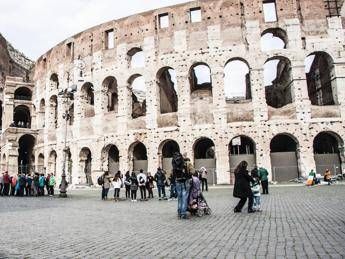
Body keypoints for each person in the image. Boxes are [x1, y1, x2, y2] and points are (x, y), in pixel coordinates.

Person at [173, 152, 191, 219]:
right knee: (184, 198)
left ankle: (179, 213)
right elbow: (193, 171)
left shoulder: (174, 164)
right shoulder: (187, 163)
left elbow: (172, 173)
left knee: (179, 198)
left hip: (177, 181)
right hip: (184, 182)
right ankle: (183, 213)